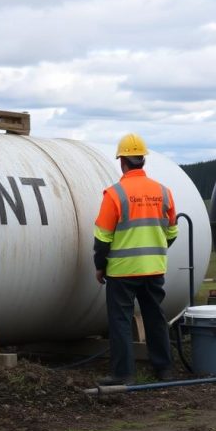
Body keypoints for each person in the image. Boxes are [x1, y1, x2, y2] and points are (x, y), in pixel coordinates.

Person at [93, 133, 178, 385]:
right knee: (155, 317)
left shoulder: (114, 194)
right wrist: (155, 250)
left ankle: (123, 375)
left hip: (122, 271)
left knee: (120, 321)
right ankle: (164, 370)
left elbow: (103, 237)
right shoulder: (163, 192)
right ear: (143, 161)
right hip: (153, 268)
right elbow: (172, 232)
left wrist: (100, 266)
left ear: (122, 162)